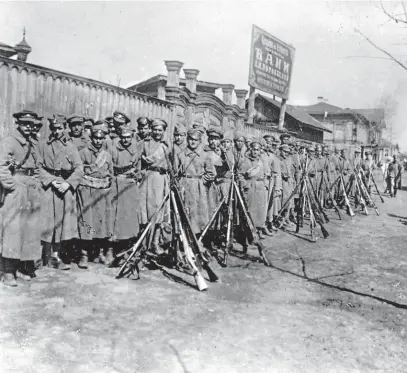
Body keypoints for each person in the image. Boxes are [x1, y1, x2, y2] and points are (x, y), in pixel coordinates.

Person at [0, 110, 43, 286]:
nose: (28, 126)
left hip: (31, 188)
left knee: (28, 230)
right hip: (17, 187)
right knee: (13, 229)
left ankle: (19, 268)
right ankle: (7, 272)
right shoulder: (9, 141)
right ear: (17, 123)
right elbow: (1, 167)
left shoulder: (32, 143)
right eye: (25, 123)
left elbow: (38, 166)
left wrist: (37, 183)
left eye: (31, 124)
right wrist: (12, 185)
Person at [37, 114, 83, 270]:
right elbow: (39, 167)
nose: (57, 131)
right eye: (54, 128)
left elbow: (79, 168)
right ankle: (47, 256)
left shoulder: (70, 146)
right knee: (48, 221)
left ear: (64, 129)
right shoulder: (43, 145)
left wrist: (68, 184)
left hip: (64, 189)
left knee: (62, 223)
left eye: (60, 128)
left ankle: (57, 255)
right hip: (49, 187)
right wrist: (50, 180)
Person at [77, 120, 113, 267]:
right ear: (91, 138)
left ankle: (99, 253)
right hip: (87, 191)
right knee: (87, 222)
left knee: (100, 223)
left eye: (101, 138)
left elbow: (110, 174)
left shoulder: (107, 156)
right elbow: (79, 172)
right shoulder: (83, 153)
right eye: (95, 138)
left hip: (102, 192)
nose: (98, 141)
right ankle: (84, 254)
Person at [136, 118, 170, 255]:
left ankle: (155, 242)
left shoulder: (166, 146)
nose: (157, 132)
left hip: (160, 180)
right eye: (155, 129)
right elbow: (138, 162)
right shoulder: (144, 144)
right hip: (146, 179)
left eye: (160, 130)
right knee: (144, 211)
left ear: (163, 131)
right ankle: (142, 243)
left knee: (157, 212)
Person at [174, 128, 217, 236]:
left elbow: (211, 173)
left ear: (199, 141)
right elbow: (176, 172)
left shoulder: (204, 155)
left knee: (197, 215)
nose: (192, 142)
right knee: (184, 212)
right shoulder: (181, 154)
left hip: (198, 188)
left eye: (195, 140)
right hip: (184, 185)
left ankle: (197, 239)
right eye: (190, 139)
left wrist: (201, 181)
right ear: (187, 139)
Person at [110, 124, 140, 259]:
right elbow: (110, 166)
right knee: (115, 216)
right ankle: (112, 248)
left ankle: (127, 247)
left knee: (129, 217)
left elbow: (138, 169)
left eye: (128, 137)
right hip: (117, 183)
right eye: (123, 137)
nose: (125, 140)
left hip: (130, 186)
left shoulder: (135, 149)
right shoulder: (113, 148)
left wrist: (135, 176)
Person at [237, 139, 270, 239]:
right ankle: (250, 232)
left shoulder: (262, 161)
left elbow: (267, 173)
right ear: (250, 150)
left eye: (258, 150)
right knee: (251, 211)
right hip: (251, 188)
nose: (255, 152)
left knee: (261, 210)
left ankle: (259, 229)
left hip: (260, 187)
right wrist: (245, 185)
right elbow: (240, 175)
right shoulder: (246, 161)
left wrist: (265, 184)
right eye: (254, 149)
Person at [278, 144, 295, 228]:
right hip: (282, 182)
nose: (286, 154)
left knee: (289, 201)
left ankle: (286, 218)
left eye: (288, 152)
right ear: (281, 151)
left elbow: (292, 170)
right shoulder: (278, 159)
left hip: (289, 182)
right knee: (283, 201)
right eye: (284, 152)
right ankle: (281, 219)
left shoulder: (288, 160)